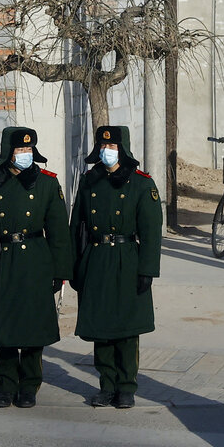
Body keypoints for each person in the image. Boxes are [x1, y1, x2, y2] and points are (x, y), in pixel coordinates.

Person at [0, 127, 74, 409]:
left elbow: (59, 232)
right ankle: (6, 386)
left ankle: (30, 387)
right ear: (8, 152)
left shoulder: (47, 183)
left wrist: (61, 273)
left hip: (35, 260)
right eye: (20, 150)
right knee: (4, 328)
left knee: (33, 328)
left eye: (29, 149)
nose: (25, 154)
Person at [70, 126, 163, 409]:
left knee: (125, 328)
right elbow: (77, 225)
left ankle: (126, 387)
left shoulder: (141, 183)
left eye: (111, 147)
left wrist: (147, 269)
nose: (106, 152)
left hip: (126, 258)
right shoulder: (90, 180)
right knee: (101, 327)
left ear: (123, 149)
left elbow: (151, 230)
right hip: (96, 258)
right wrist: (73, 266)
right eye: (102, 146)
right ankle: (106, 385)